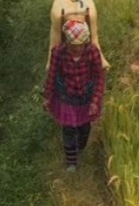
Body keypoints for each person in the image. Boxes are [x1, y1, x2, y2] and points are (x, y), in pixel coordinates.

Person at [44, 15, 105, 171]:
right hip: (67, 95)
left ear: (85, 43)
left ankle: (81, 147)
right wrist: (48, 97)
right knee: (69, 128)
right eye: (73, 46)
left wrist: (95, 100)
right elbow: (52, 74)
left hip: (86, 95)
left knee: (84, 127)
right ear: (67, 42)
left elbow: (99, 76)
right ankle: (71, 161)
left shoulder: (92, 52)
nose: (76, 49)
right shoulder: (58, 52)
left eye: (80, 46)